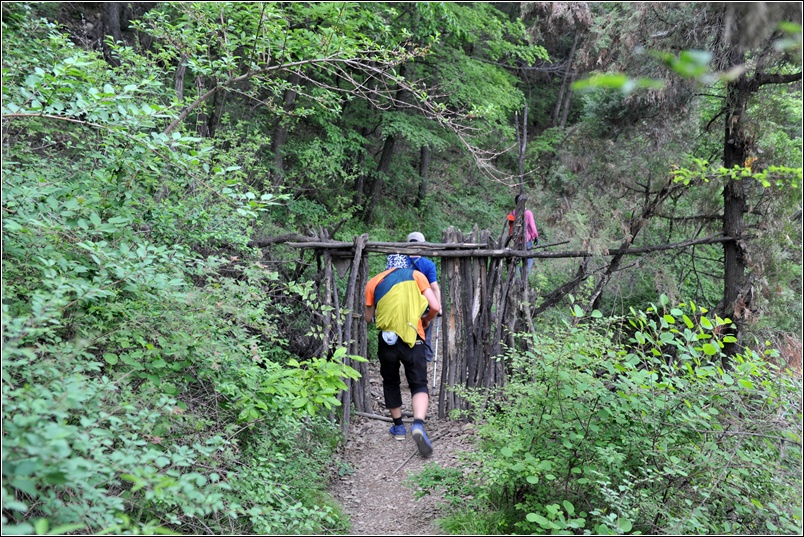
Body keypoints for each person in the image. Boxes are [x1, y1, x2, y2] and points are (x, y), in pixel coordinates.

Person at [365, 254, 440, 457]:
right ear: (404, 265)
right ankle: (417, 424)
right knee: (419, 384)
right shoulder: (416, 276)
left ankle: (398, 427)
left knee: (390, 381)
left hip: (387, 341)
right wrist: (425, 320)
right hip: (413, 337)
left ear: (387, 266)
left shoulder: (374, 281)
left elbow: (368, 318)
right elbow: (435, 307)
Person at [405, 232, 441, 363]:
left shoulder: (401, 262)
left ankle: (409, 365)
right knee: (424, 336)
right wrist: (438, 306)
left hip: (404, 306)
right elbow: (434, 287)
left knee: (405, 336)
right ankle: (422, 366)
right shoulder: (428, 264)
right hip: (423, 306)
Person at [506, 194, 539, 275]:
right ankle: (527, 276)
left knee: (516, 259)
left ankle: (516, 277)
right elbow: (532, 226)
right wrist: (535, 236)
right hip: (526, 240)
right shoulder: (528, 213)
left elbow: (510, 228)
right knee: (529, 258)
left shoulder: (512, 213)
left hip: (515, 241)